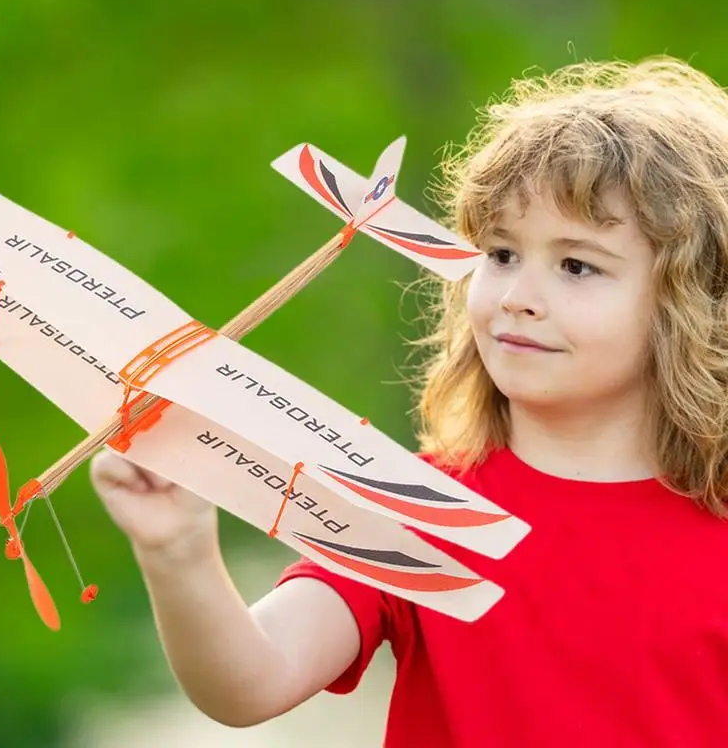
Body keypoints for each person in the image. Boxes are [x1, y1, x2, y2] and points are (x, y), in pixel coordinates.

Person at [90, 56, 728, 747]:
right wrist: (177, 549)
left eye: (576, 265)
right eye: (501, 253)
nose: (515, 297)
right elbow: (254, 679)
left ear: (690, 303)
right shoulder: (412, 509)